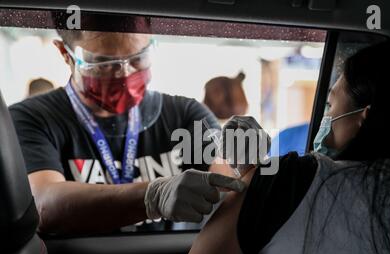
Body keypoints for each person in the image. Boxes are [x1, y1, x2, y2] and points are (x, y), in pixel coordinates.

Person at [153, 39, 390, 254]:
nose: (325, 120)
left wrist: (253, 179)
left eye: (331, 107)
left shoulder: (290, 180)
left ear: (364, 118)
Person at [9, 16, 255, 235]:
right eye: (104, 64)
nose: (124, 75)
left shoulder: (185, 114)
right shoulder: (32, 117)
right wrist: (152, 197)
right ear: (65, 54)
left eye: (138, 59)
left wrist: (240, 160)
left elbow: (224, 183)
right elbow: (43, 205)